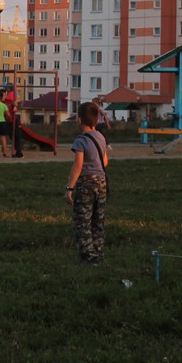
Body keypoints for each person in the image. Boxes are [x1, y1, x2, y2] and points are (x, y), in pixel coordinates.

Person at [65, 101, 109, 265]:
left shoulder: (80, 140)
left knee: (82, 222)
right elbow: (105, 162)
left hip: (86, 184)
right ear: (97, 120)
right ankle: (97, 253)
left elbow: (78, 165)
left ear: (79, 120)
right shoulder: (101, 137)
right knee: (98, 221)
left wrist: (70, 187)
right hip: (102, 183)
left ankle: (88, 257)